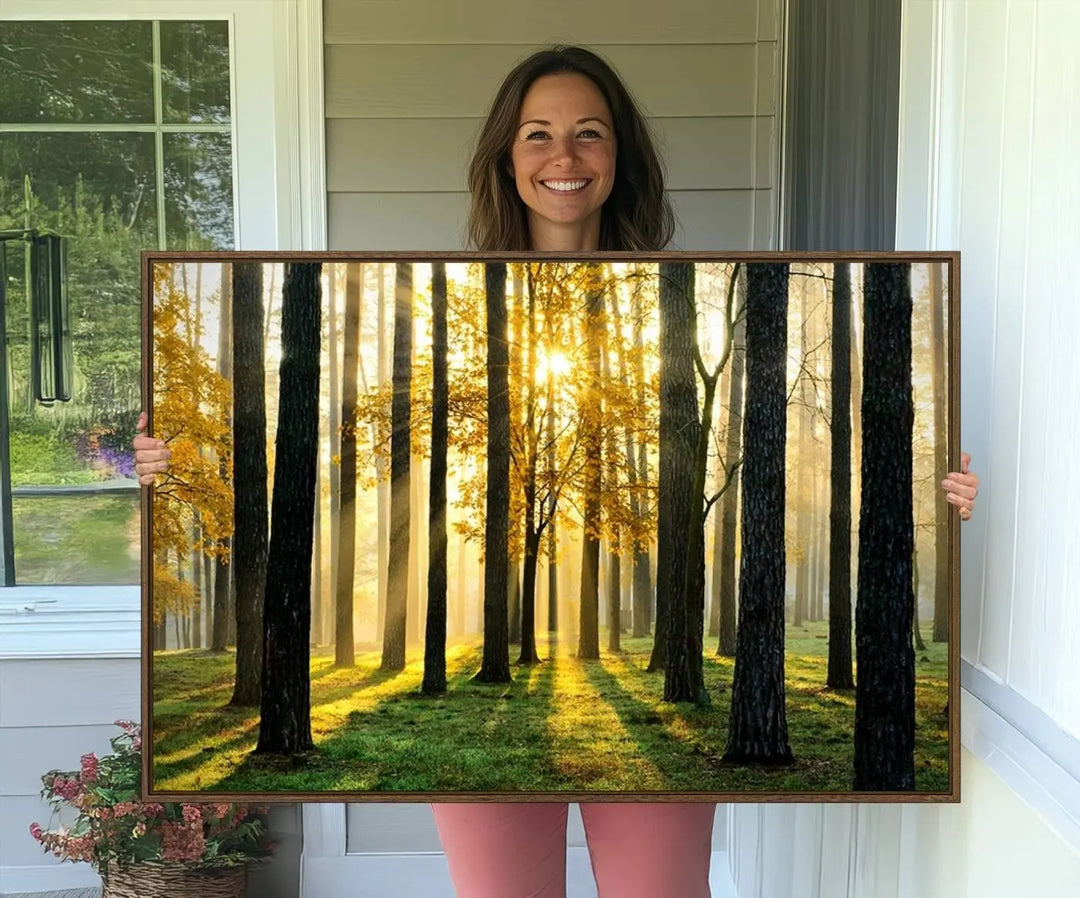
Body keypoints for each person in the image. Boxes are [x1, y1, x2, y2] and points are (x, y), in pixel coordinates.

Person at [133, 45, 980, 898]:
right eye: (537, 135)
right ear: (507, 156)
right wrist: (171, 460)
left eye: (589, 134)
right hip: (479, 675)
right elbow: (315, 447)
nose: (563, 157)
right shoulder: (441, 309)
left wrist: (934, 498)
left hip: (651, 694)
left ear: (620, 157)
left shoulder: (694, 311)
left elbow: (787, 455)